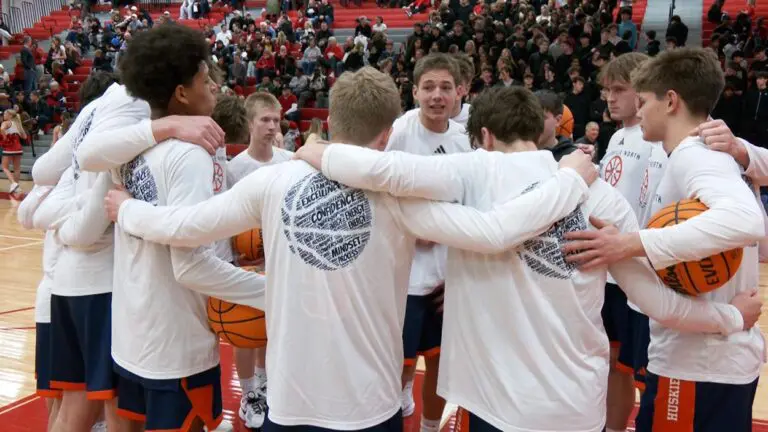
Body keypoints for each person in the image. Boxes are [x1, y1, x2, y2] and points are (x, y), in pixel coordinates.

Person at [103, 66, 601, 432]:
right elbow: (495, 231)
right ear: (388, 134)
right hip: (370, 406)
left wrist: (125, 208)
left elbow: (185, 226)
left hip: (291, 402)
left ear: (332, 117)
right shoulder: (402, 199)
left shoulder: (273, 182)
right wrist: (567, 183)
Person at [288, 85, 761, 432]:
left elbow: (378, 169)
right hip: (577, 405)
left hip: (494, 405)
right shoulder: (603, 197)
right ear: (540, 129)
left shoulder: (473, 170)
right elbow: (651, 300)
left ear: (484, 136)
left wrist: (312, 148)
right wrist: (728, 316)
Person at [564, 47, 766, 432]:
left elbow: (745, 219)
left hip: (699, 364)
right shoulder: (712, 152)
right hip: (715, 358)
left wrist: (630, 244)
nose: (638, 111)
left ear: (671, 100)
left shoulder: (696, 156)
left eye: (643, 101)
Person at [110, 23, 267, 432]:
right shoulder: (190, 155)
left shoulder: (133, 144)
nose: (214, 85)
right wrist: (273, 290)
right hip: (176, 342)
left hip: (130, 332)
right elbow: (191, 266)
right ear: (182, 91)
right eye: (204, 78)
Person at [387, 53, 471, 429]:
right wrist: (406, 228)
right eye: (430, 87)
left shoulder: (466, 142)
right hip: (402, 274)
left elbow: (474, 205)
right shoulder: (400, 132)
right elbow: (379, 192)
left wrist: (460, 275)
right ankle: (393, 408)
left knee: (439, 362)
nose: (438, 95)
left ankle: (430, 427)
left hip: (443, 275)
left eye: (446, 87)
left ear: (459, 93)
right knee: (397, 364)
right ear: (415, 91)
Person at [225, 92, 292, 430]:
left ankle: (265, 385)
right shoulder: (234, 170)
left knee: (269, 330)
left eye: (276, 120)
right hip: (245, 261)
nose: (271, 126)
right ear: (250, 123)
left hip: (280, 260)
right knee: (243, 332)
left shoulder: (289, 161)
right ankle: (248, 392)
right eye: (265, 120)